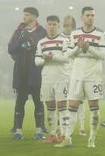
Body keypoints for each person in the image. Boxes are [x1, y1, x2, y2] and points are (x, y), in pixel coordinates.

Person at [56, 7, 105, 148]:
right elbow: (68, 55)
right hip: (77, 74)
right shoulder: (75, 33)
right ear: (82, 17)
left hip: (94, 75)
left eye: (92, 15)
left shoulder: (101, 34)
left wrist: (87, 47)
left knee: (94, 107)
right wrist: (79, 47)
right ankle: (67, 138)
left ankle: (92, 139)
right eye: (88, 15)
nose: (90, 17)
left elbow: (103, 55)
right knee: (72, 106)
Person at [8, 7, 46, 140]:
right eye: (24, 14)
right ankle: (18, 131)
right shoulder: (19, 31)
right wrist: (20, 41)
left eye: (27, 14)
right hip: (22, 73)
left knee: (38, 102)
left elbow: (45, 50)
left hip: (37, 73)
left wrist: (33, 45)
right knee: (20, 102)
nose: (24, 16)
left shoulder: (42, 32)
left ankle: (39, 131)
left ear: (34, 16)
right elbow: (11, 49)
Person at [35, 15, 69, 143]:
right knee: (49, 106)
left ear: (58, 25)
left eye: (54, 24)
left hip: (61, 78)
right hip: (47, 78)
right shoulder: (41, 42)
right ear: (46, 25)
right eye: (49, 24)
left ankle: (64, 135)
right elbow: (37, 60)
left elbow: (67, 58)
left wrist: (52, 57)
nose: (52, 27)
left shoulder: (64, 40)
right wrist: (45, 59)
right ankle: (53, 135)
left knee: (61, 106)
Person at [61, 15, 86, 136]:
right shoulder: (59, 37)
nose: (66, 27)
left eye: (69, 25)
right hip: (62, 73)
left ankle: (82, 127)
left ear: (73, 26)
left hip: (76, 71)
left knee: (79, 100)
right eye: (64, 25)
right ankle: (64, 128)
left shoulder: (78, 36)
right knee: (62, 101)